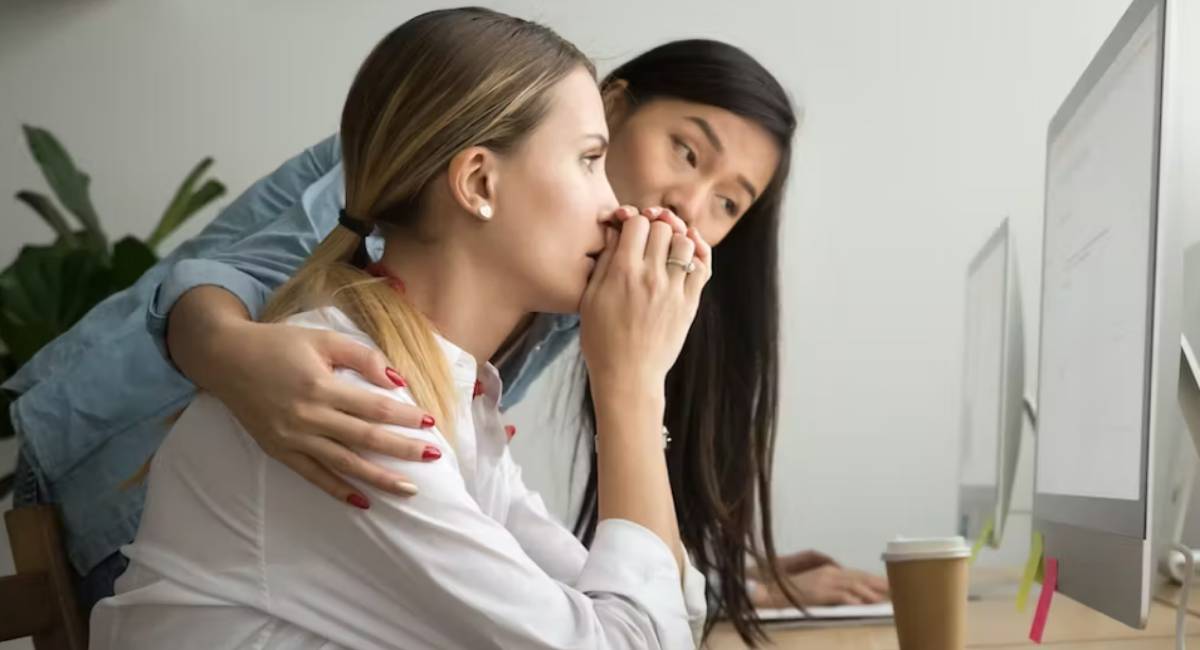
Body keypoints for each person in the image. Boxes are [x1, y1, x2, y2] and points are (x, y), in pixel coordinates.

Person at [7, 19, 885, 650]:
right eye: (684, 155)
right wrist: (238, 360)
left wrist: (727, 578)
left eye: (729, 203)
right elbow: (224, 280)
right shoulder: (360, 375)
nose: (683, 209)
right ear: (477, 182)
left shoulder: (454, 379)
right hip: (126, 491)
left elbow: (565, 588)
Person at [90, 9, 709, 648]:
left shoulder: (448, 394)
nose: (615, 209)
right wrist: (631, 385)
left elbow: (665, 615)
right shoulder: (352, 400)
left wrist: (635, 384)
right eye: (588, 161)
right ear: (477, 182)